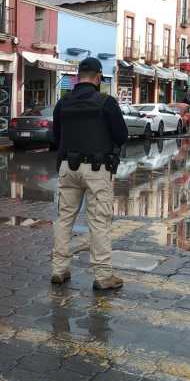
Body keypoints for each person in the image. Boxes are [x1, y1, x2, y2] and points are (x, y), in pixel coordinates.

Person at [51, 57, 128, 290]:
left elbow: (56, 137)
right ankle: (103, 276)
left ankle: (59, 269)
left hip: (68, 167)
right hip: (97, 169)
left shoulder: (63, 103)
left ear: (78, 77)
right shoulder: (106, 102)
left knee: (64, 219)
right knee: (99, 221)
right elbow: (121, 136)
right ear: (97, 77)